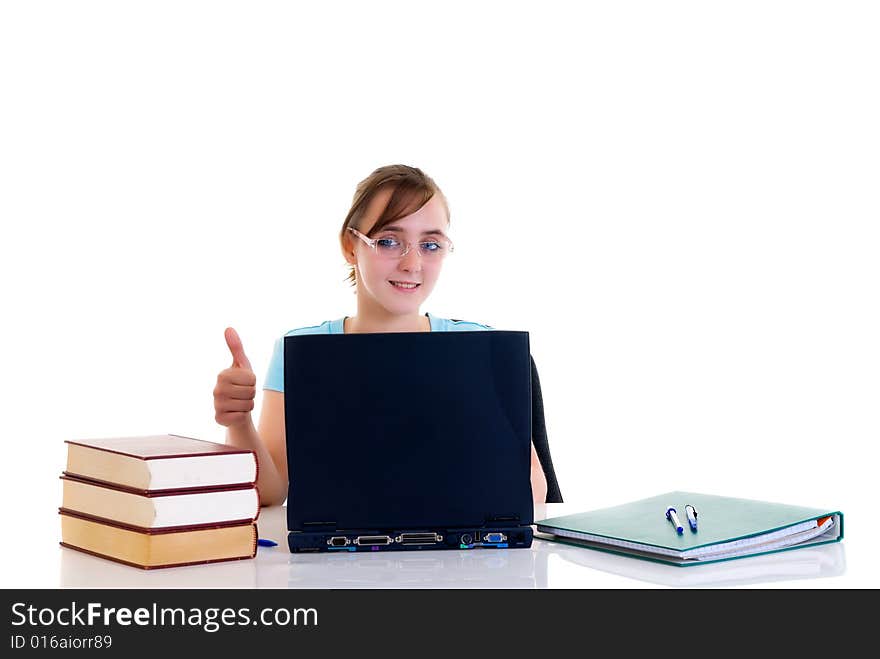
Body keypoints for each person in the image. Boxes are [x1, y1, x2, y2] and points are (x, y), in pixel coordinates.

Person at [213, 164, 548, 506]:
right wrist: (239, 422)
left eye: (430, 245)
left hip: (458, 552)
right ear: (350, 246)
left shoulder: (481, 348)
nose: (412, 264)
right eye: (389, 241)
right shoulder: (300, 352)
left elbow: (533, 492)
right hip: (339, 553)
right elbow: (272, 493)